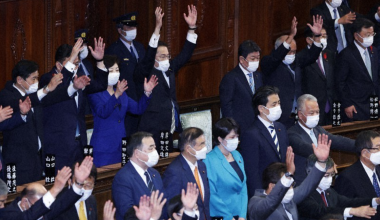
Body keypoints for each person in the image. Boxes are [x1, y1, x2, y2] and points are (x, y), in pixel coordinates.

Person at [88, 7, 163, 167]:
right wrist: (116, 94)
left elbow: (138, 109)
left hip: (122, 145)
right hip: (103, 148)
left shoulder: (122, 94)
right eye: (112, 70)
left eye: (117, 70)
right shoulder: (96, 93)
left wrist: (147, 93)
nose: (116, 73)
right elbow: (103, 112)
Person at [40, 37, 108, 171]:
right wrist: (71, 62)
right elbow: (62, 90)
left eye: (77, 64)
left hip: (78, 144)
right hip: (58, 147)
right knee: (59, 188)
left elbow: (100, 85)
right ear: (59, 66)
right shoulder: (48, 79)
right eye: (72, 63)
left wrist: (99, 61)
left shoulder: (78, 78)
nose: (75, 68)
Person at [138, 5, 198, 151]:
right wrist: (157, 29)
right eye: (162, 56)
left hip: (169, 127)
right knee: (153, 163)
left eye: (167, 56)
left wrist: (191, 28)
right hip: (152, 129)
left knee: (166, 161)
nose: (166, 59)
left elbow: (185, 55)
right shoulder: (146, 71)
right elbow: (148, 58)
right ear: (154, 58)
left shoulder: (170, 68)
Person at [0, 59, 70, 185]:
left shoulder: (35, 95)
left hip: (36, 161)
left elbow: (54, 96)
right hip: (18, 163)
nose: (36, 82)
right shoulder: (7, 95)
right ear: (20, 80)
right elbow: (16, 108)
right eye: (33, 79)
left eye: (37, 78)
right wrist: (46, 89)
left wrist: (74, 87)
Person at [261, 16, 323, 128]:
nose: (291, 55)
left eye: (294, 52)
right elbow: (276, 58)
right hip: (279, 116)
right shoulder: (269, 62)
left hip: (297, 117)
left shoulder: (297, 61)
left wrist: (317, 36)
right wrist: (291, 36)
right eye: (288, 51)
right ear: (279, 49)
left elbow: (312, 55)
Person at [248, 142, 330, 220]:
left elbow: (307, 186)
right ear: (272, 186)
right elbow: (270, 203)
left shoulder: (288, 199)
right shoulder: (255, 203)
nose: (291, 189)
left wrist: (321, 162)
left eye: (291, 184)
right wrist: (288, 175)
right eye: (288, 185)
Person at [288, 94, 355, 184]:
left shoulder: (318, 130)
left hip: (322, 181)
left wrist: (362, 145)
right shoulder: (292, 133)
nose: (315, 116)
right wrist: (328, 160)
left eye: (317, 112)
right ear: (300, 114)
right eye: (311, 113)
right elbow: (306, 149)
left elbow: (338, 140)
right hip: (304, 182)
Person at [2, 156, 94, 220]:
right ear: (24, 202)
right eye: (38, 205)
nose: (43, 209)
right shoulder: (7, 214)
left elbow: (61, 204)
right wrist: (55, 189)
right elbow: (30, 216)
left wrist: (78, 183)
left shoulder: (41, 210)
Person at [240, 86, 289, 198]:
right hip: (265, 194)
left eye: (279, 103)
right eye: (273, 104)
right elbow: (252, 173)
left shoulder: (281, 128)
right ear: (261, 109)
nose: (278, 107)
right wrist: (260, 199)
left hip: (283, 189)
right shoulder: (251, 135)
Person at [298, 155, 379, 220]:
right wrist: (352, 211)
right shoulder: (302, 194)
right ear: (310, 173)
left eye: (332, 174)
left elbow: (348, 202)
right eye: (326, 175)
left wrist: (375, 200)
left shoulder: (329, 192)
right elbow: (320, 211)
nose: (330, 179)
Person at [106, 11, 146, 138]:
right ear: (120, 30)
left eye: (134, 27)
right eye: (129, 27)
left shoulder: (140, 47)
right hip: (126, 105)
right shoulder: (114, 50)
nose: (133, 30)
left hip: (142, 101)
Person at [112, 132, 166, 220]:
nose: (155, 152)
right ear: (137, 153)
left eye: (155, 148)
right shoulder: (122, 178)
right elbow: (127, 213)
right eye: (150, 148)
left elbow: (164, 201)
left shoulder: (155, 173)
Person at [335, 18, 379, 122]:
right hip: (356, 105)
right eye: (367, 35)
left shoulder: (374, 51)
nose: (370, 37)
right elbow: (340, 82)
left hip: (374, 103)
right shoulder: (346, 55)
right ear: (356, 36)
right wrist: (347, 104)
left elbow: (377, 76)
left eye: (372, 34)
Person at [203, 118, 247, 220]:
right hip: (222, 215)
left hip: (240, 213)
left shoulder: (237, 155)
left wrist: (242, 215)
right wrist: (229, 217)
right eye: (232, 137)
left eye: (237, 137)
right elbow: (212, 194)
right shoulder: (209, 160)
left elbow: (243, 187)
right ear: (220, 139)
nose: (236, 140)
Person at [162, 127, 210, 220]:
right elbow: (171, 208)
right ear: (188, 148)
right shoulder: (174, 171)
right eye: (201, 144)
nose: (205, 147)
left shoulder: (201, 165)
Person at [334, 130, 380, 219]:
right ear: (365, 153)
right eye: (378, 148)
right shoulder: (347, 178)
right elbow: (344, 209)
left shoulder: (378, 168)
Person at [219, 40, 263, 131]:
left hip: (257, 127)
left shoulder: (258, 76)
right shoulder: (230, 78)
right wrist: (234, 130)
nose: (256, 61)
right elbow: (226, 107)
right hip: (240, 128)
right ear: (242, 60)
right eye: (252, 58)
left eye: (258, 58)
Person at [300, 27, 336, 125]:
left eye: (325, 36)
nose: (323, 39)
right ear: (308, 39)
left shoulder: (329, 54)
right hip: (313, 107)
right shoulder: (302, 57)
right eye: (320, 36)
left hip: (331, 104)